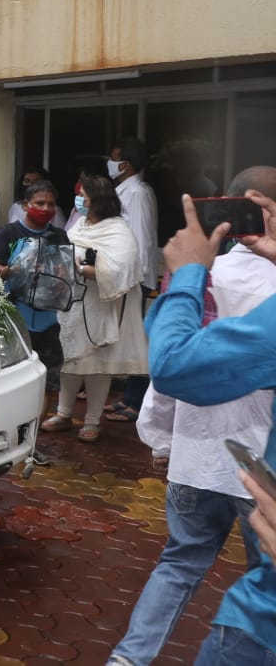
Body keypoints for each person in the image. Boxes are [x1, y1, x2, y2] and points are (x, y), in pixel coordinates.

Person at [109, 167, 276, 666]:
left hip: (198, 455)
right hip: (259, 469)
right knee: (260, 567)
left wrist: (159, 437)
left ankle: (127, 659)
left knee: (180, 563)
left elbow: (172, 368)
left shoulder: (201, 274)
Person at [43, 176, 147, 442]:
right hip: (73, 302)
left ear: (98, 201)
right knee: (69, 358)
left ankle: (92, 421)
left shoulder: (118, 230)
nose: (80, 202)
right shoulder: (80, 223)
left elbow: (123, 267)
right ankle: (63, 414)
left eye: (84, 198)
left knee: (97, 363)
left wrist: (89, 269)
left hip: (102, 304)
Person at [0, 180, 68, 391]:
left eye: (51, 204)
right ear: (25, 205)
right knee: (13, 380)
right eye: (39, 203)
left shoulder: (59, 236)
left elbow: (67, 271)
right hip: (15, 320)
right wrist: (11, 270)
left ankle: (39, 421)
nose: (45, 209)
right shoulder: (9, 233)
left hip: (48, 321)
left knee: (50, 382)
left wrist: (63, 276)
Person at [107, 138, 160, 423]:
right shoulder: (127, 190)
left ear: (125, 164)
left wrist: (132, 280)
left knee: (138, 342)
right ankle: (129, 397)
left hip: (135, 279)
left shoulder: (137, 192)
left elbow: (139, 239)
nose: (111, 162)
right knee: (131, 340)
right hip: (130, 277)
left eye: (114, 157)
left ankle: (136, 401)